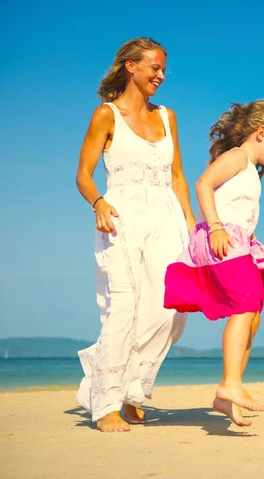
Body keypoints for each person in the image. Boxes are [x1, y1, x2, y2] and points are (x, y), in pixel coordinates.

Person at [75, 37, 195, 433]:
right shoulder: (106, 116)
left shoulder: (167, 117)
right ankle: (107, 400)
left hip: (167, 214)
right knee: (124, 306)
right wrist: (99, 204)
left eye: (163, 70)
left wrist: (192, 225)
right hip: (122, 214)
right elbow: (83, 175)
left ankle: (131, 387)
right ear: (131, 67)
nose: (160, 76)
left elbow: (178, 175)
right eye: (154, 68)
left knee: (170, 308)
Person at [164, 99, 264, 427]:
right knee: (245, 304)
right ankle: (230, 383)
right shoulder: (237, 157)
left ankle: (227, 394)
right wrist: (215, 226)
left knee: (252, 314)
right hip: (219, 238)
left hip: (238, 242)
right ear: (261, 132)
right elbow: (203, 184)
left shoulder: (251, 170)